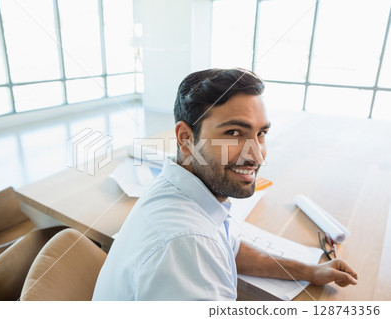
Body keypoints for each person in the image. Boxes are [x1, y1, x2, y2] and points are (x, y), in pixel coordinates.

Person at [92, 68, 358, 300]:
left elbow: (230, 249)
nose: (256, 154)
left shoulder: (183, 189)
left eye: (261, 133)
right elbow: (205, 247)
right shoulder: (189, 245)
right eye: (234, 133)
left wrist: (309, 271)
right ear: (185, 137)